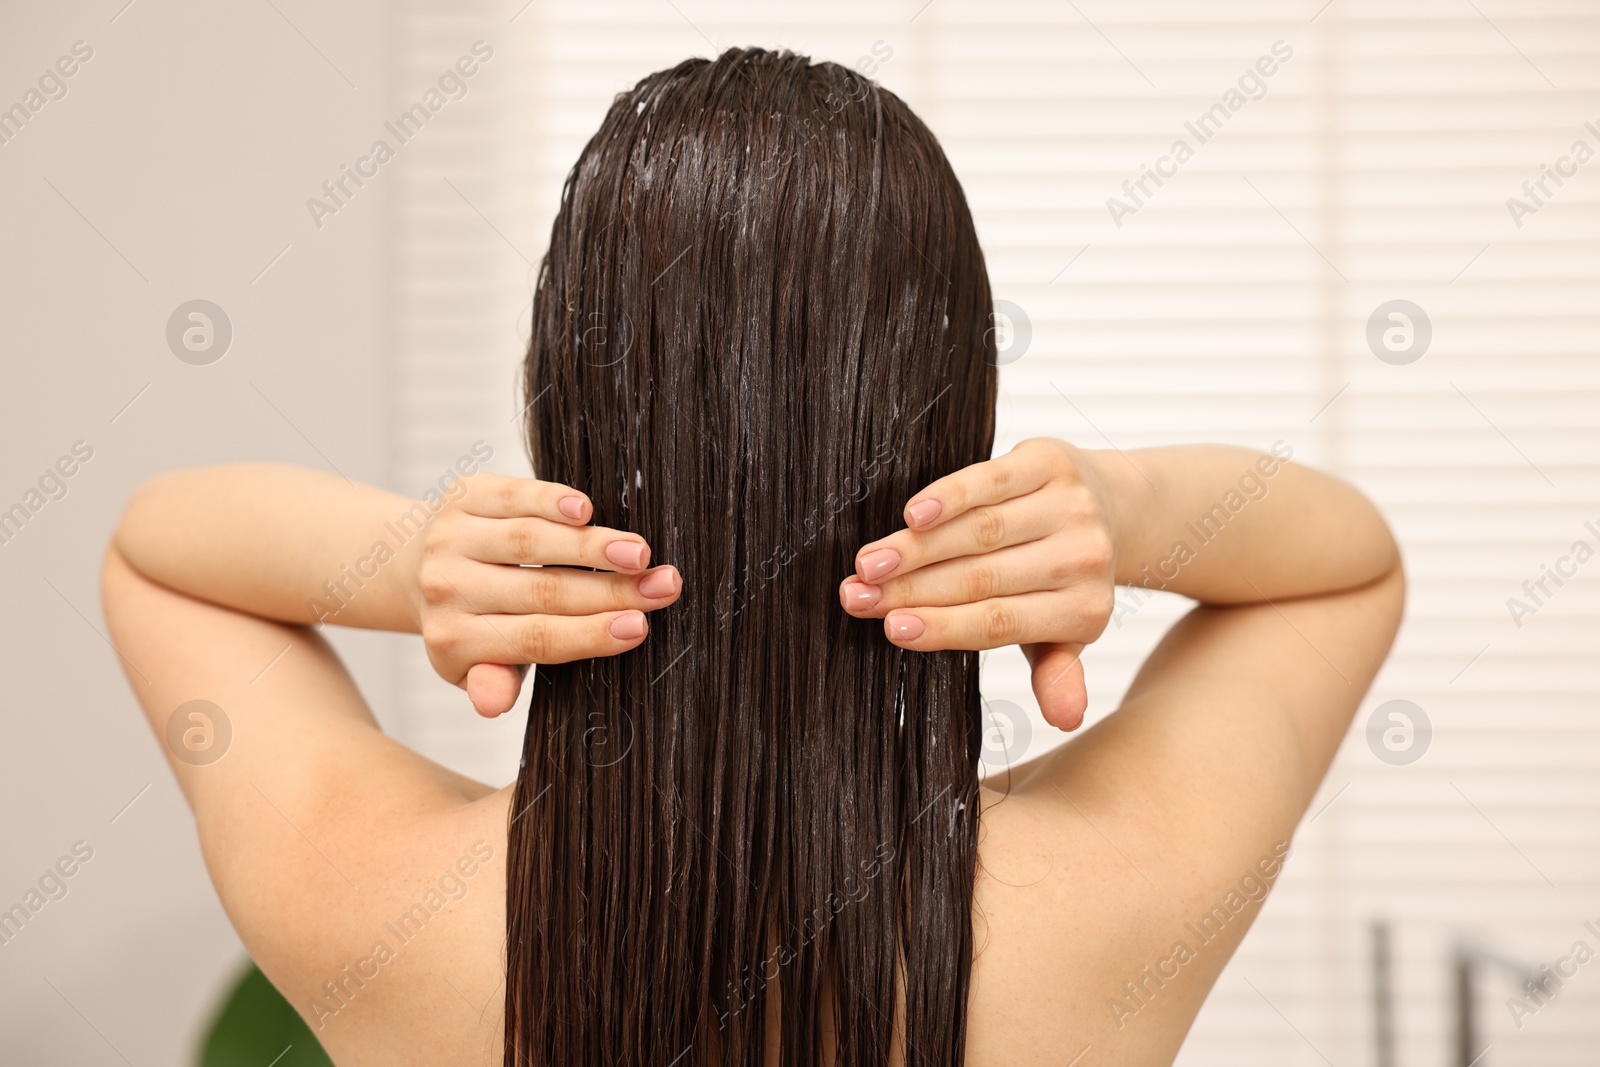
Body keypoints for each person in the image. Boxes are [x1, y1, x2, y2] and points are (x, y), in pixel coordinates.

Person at [102, 48, 1403, 1067]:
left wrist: (415, 564)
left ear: (565, 397)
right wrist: (1122, 505)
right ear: (956, 418)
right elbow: (1348, 567)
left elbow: (160, 554)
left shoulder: (374, 903)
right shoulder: (1117, 897)